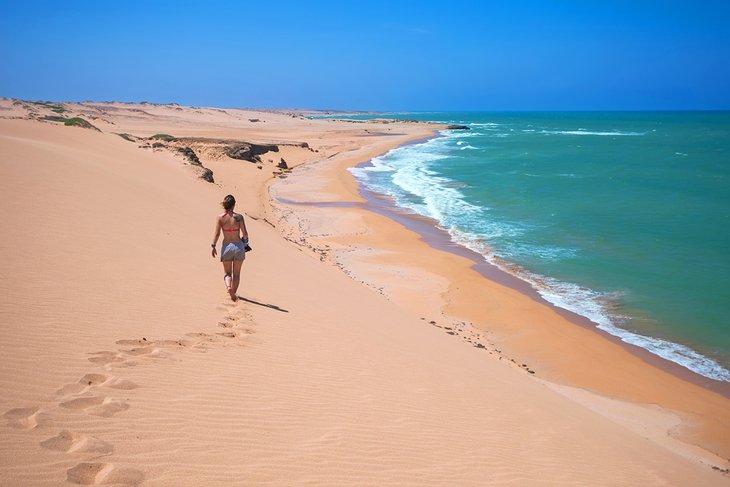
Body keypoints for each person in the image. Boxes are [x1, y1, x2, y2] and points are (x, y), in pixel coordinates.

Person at [211, 195, 249, 300]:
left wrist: (213, 246)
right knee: (236, 274)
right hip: (238, 247)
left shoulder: (220, 217)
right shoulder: (239, 217)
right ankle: (234, 293)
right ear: (234, 204)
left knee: (227, 273)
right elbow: (245, 234)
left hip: (227, 247)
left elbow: (217, 233)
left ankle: (228, 288)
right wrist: (245, 243)